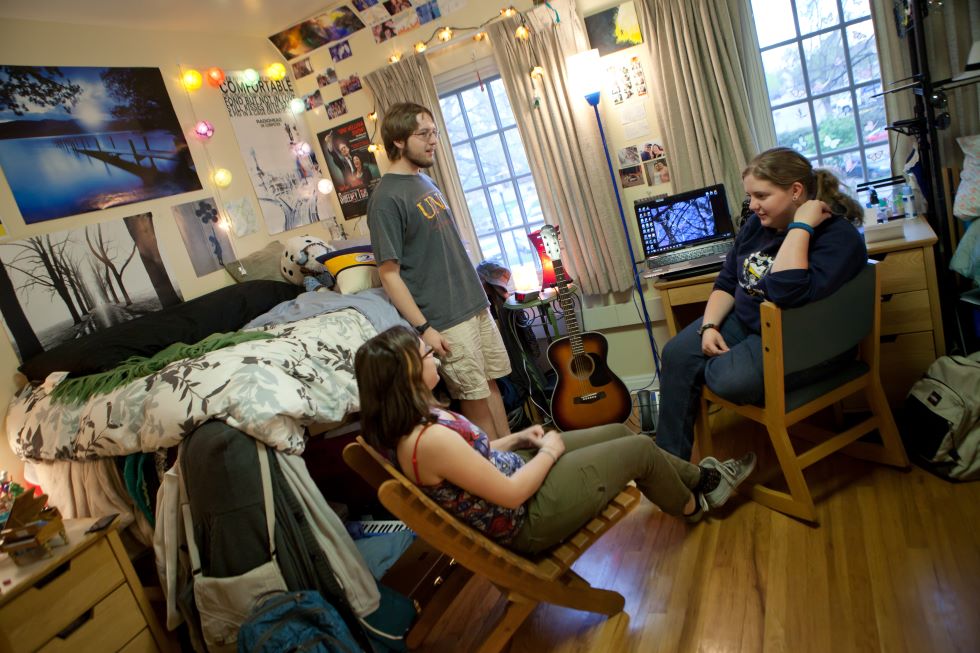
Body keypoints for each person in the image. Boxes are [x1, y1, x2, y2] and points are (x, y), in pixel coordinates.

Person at [354, 326, 758, 554]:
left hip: (524, 478)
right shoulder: (428, 440)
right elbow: (510, 495)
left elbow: (472, 458)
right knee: (637, 448)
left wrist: (516, 439)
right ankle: (693, 503)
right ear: (404, 375)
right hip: (528, 516)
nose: (435, 359)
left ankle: (704, 481)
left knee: (620, 430)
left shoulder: (416, 421)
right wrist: (548, 449)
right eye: (426, 356)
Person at [655, 147, 867, 461]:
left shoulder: (838, 238)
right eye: (750, 196)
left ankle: (709, 374)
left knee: (725, 379)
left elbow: (784, 291)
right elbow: (728, 280)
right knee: (676, 354)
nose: (752, 205)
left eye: (761, 196)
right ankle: (670, 470)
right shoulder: (757, 225)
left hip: (801, 340)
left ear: (796, 191)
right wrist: (710, 325)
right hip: (747, 324)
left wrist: (800, 228)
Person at [368, 102, 513, 440]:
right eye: (423, 134)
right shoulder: (386, 197)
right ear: (399, 141)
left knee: (491, 385)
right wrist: (426, 329)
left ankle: (515, 459)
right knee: (474, 398)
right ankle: (497, 480)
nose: (433, 141)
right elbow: (389, 274)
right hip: (446, 318)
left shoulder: (425, 182)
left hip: (474, 305)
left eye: (434, 133)